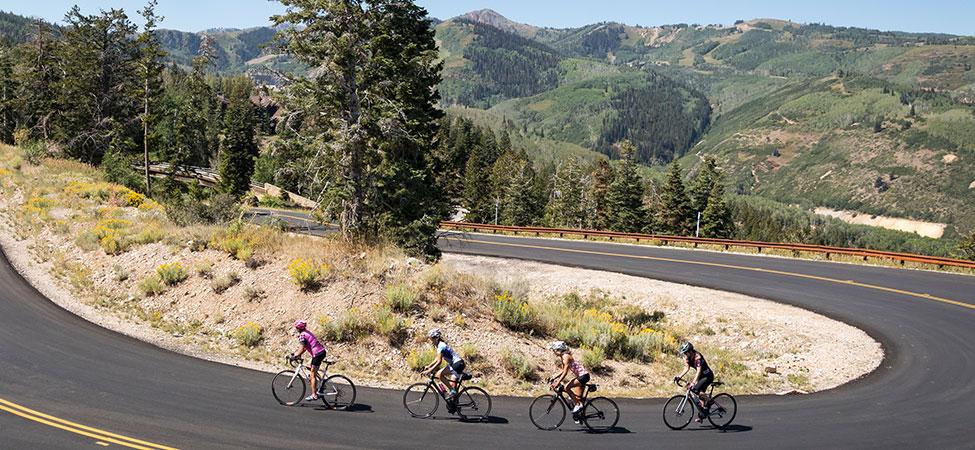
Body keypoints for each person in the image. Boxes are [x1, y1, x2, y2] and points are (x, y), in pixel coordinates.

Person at [548, 341, 590, 421]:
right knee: (577, 398)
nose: (553, 352)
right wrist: (554, 377)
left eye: (554, 350)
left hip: (583, 376)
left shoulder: (566, 357)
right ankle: (580, 416)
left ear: (558, 350)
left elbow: (565, 372)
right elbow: (563, 370)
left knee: (567, 388)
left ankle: (578, 405)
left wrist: (558, 382)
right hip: (582, 376)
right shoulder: (564, 356)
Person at [421, 329, 466, 404]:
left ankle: (452, 392)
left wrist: (429, 370)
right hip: (458, 364)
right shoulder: (440, 345)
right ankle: (455, 405)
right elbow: (437, 358)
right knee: (452, 384)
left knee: (439, 374)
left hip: (457, 364)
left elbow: (439, 362)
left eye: (431, 339)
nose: (430, 341)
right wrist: (429, 366)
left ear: (436, 338)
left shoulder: (441, 346)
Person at [674, 341, 714, 422]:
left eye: (685, 352)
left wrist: (693, 382)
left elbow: (698, 371)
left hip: (707, 376)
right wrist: (679, 376)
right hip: (701, 377)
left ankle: (710, 401)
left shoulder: (697, 357)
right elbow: (686, 368)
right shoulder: (687, 357)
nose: (684, 354)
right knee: (699, 394)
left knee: (696, 390)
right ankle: (703, 413)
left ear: (690, 351)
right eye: (683, 353)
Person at [290, 320, 327, 402]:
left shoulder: (302, 335)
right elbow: (305, 348)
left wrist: (295, 356)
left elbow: (302, 348)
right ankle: (322, 381)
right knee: (308, 366)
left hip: (317, 354)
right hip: (320, 352)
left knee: (312, 374)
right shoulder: (306, 332)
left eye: (296, 328)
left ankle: (314, 395)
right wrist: (298, 354)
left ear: (298, 328)